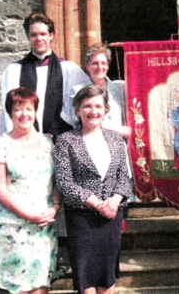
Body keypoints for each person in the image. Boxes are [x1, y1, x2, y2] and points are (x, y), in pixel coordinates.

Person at [0, 12, 90, 236]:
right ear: (28, 37)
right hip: (23, 143)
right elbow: (8, 113)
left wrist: (55, 132)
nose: (39, 38)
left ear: (52, 35)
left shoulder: (69, 69)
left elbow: (81, 106)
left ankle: (60, 245)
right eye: (34, 35)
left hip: (57, 141)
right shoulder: (14, 70)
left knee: (56, 190)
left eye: (43, 34)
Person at [0, 88, 62, 294]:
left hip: (42, 227)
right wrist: (29, 214)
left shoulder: (47, 143)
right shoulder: (1, 146)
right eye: (18, 109)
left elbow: (57, 182)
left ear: (35, 111)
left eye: (29, 109)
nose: (24, 114)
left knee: (40, 285)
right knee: (15, 287)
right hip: (12, 227)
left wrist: (55, 207)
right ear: (10, 113)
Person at [55, 85, 131, 294]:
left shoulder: (116, 139)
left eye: (98, 106)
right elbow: (64, 181)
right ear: (78, 110)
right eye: (87, 106)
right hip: (82, 218)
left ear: (106, 111)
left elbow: (123, 176)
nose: (93, 111)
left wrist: (115, 201)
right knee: (86, 279)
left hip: (111, 217)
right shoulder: (66, 141)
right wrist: (97, 203)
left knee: (107, 279)